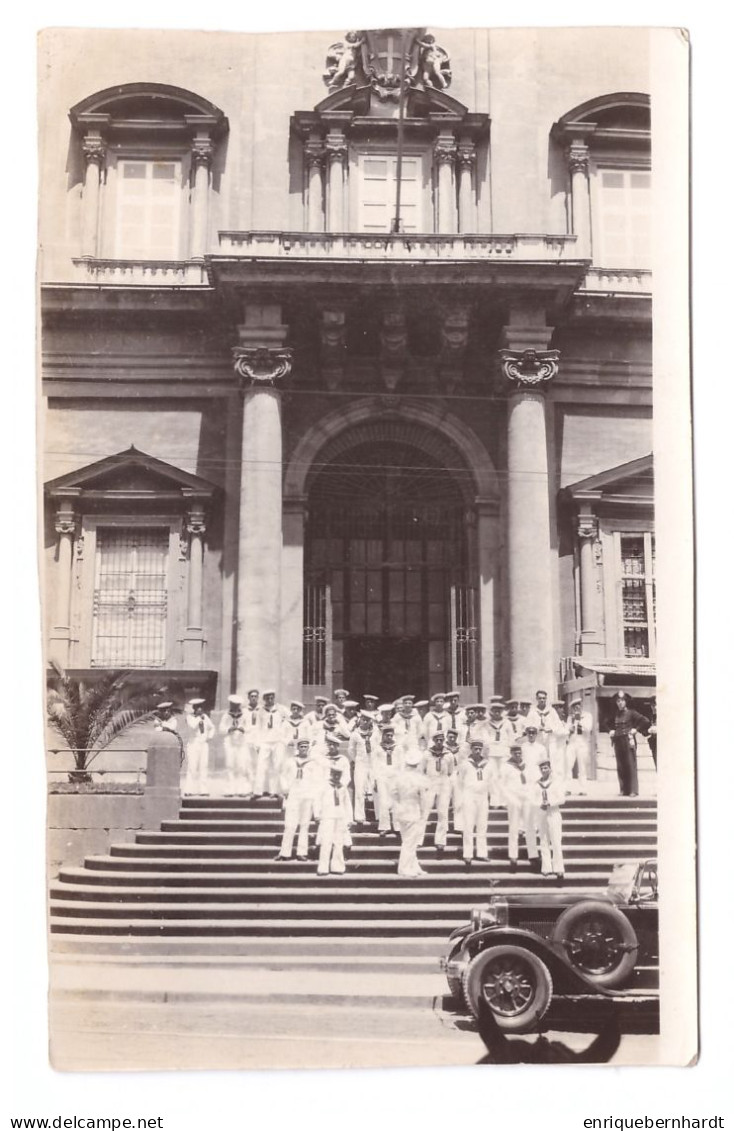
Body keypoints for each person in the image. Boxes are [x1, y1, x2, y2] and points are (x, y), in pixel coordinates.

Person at [275, 738, 323, 861]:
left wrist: (314, 797)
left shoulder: (313, 763)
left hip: (307, 796)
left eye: (305, 747)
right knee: (290, 825)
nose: (303, 749)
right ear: (298, 748)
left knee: (304, 825)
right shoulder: (290, 761)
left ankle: (302, 852)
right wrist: (285, 788)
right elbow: (282, 776)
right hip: (293, 796)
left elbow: (317, 781)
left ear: (308, 748)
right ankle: (285, 853)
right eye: (301, 747)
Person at [391, 748, 430, 876]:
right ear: (418, 764)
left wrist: (397, 808)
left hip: (401, 811)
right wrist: (424, 814)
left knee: (408, 840)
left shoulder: (399, 777)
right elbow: (424, 798)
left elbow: (394, 794)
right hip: (413, 812)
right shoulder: (419, 779)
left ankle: (414, 866)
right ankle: (404, 869)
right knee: (410, 842)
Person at [529, 756, 565, 881]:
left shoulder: (556, 782)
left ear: (550, 769)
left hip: (553, 812)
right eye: (542, 768)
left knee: (556, 841)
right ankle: (546, 867)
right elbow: (532, 799)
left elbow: (562, 799)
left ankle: (559, 868)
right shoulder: (536, 784)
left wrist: (550, 802)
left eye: (546, 768)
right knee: (543, 840)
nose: (544, 770)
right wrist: (540, 803)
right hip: (542, 813)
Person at [609, 692, 650, 797]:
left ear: (625, 702)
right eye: (618, 701)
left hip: (628, 741)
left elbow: (645, 721)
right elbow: (605, 722)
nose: (620, 703)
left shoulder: (632, 713)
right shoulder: (615, 714)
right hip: (618, 741)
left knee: (630, 765)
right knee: (621, 766)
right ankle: (623, 790)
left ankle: (633, 790)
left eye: (622, 701)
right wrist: (610, 730)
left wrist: (636, 729)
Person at [315, 764, 352, 875]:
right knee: (326, 841)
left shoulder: (342, 787)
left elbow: (347, 804)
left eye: (339, 774)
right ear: (331, 773)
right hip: (327, 816)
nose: (336, 776)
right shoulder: (324, 785)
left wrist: (349, 819)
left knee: (339, 842)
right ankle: (323, 868)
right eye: (335, 774)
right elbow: (317, 800)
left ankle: (338, 867)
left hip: (340, 817)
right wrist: (317, 814)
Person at [459, 739, 491, 866]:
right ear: (471, 749)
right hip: (469, 796)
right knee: (468, 825)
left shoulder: (487, 764)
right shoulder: (465, 764)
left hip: (482, 797)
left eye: (479, 749)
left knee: (482, 825)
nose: (477, 751)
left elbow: (490, 780)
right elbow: (460, 782)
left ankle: (482, 853)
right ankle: (468, 854)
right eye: (475, 749)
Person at [422, 732, 456, 853]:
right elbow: (422, 770)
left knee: (442, 813)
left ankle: (440, 841)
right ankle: (418, 840)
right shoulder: (426, 754)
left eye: (441, 740)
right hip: (430, 783)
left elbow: (451, 771)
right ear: (433, 740)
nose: (439, 742)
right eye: (437, 740)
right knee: (424, 812)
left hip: (443, 784)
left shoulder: (449, 755)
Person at [501, 744, 531, 871]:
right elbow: (501, 785)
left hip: (526, 798)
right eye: (515, 753)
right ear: (511, 754)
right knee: (513, 827)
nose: (518, 755)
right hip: (513, 799)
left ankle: (533, 854)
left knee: (529, 826)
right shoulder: (506, 766)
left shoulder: (526, 765)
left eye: (519, 753)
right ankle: (513, 856)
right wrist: (507, 799)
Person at [372, 723, 403, 836]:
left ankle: (398, 826)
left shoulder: (398, 748)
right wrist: (375, 779)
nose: (389, 737)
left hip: (395, 777)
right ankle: (384, 826)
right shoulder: (377, 748)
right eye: (387, 735)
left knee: (396, 802)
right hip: (382, 777)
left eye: (391, 735)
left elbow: (402, 764)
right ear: (383, 735)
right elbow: (374, 765)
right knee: (383, 802)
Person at [254, 689, 286, 797]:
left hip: (278, 741)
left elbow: (291, 719)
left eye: (272, 697)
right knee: (261, 766)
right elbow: (257, 728)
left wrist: (284, 737)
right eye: (267, 698)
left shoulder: (281, 709)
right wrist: (257, 743)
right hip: (265, 741)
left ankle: (274, 791)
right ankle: (258, 791)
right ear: (264, 699)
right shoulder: (260, 711)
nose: (270, 700)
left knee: (277, 766)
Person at [219, 693, 251, 796]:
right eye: (233, 704)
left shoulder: (245, 714)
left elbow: (251, 727)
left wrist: (244, 729)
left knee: (241, 765)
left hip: (241, 742)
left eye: (237, 705)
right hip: (230, 742)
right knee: (230, 765)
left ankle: (242, 789)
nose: (235, 706)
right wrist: (229, 729)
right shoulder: (226, 715)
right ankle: (230, 789)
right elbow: (220, 729)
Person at [183, 698, 215, 795]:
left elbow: (212, 727)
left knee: (203, 766)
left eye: (201, 707)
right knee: (192, 767)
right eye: (198, 707)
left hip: (203, 744)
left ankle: (203, 789)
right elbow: (193, 726)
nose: (200, 709)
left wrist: (209, 737)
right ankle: (189, 790)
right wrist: (199, 718)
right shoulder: (190, 717)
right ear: (194, 708)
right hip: (193, 743)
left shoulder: (205, 717)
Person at [348, 714, 375, 825]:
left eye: (367, 720)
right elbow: (351, 750)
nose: (365, 722)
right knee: (359, 790)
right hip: (361, 764)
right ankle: (359, 816)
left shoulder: (374, 734)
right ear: (360, 720)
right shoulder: (355, 734)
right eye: (363, 720)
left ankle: (377, 816)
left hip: (373, 763)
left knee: (375, 788)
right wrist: (357, 760)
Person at [565, 697, 593, 795]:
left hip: (582, 744)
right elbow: (567, 730)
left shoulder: (587, 716)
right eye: (575, 707)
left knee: (582, 767)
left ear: (581, 706)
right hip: (572, 743)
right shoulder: (570, 717)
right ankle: (567, 788)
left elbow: (588, 728)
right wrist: (571, 727)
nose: (577, 709)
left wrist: (578, 720)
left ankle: (583, 789)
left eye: (578, 706)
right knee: (568, 765)